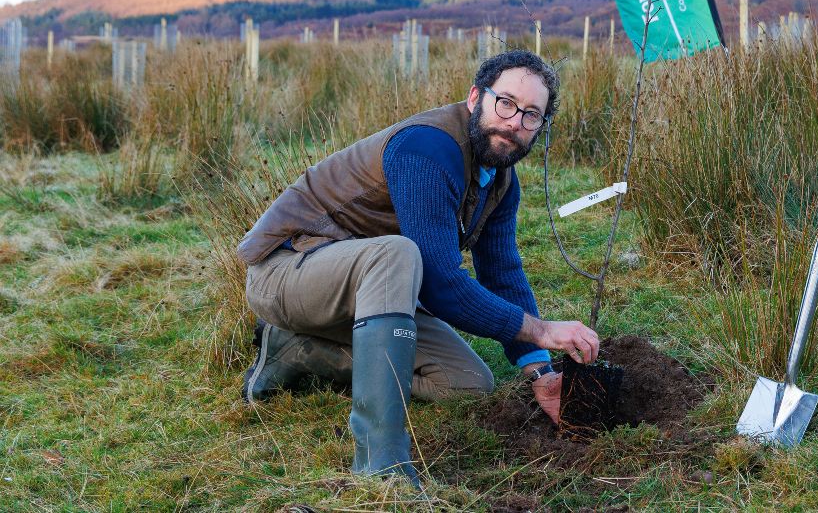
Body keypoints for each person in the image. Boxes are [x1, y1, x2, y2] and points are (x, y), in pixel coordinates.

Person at [236, 49, 600, 486]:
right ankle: (381, 462)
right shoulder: (429, 148)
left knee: (465, 383)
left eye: (531, 115)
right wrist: (542, 329)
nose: (514, 122)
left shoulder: (500, 179)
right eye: (506, 103)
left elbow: (502, 273)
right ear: (475, 98)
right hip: (285, 272)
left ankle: (294, 350)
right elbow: (441, 283)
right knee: (400, 254)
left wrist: (541, 370)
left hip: (364, 291)